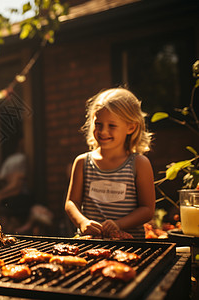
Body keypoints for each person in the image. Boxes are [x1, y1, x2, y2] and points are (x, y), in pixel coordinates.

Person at [64, 87, 155, 239]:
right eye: (98, 124)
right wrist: (82, 222)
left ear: (131, 127)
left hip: (130, 247)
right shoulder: (82, 162)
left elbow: (147, 209)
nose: (103, 131)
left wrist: (119, 224)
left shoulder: (139, 164)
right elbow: (71, 203)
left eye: (111, 126)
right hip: (91, 244)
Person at [0, 139, 33, 233]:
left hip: (20, 198)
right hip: (13, 198)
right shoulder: (18, 160)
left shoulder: (20, 160)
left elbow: (16, 187)